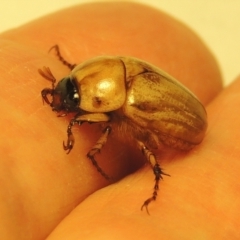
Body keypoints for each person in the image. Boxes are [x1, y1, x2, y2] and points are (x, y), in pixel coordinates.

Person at [0, 2, 238, 239]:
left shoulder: (128, 101)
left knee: (143, 142)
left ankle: (156, 175)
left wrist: (76, 121)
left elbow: (104, 115)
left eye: (74, 97)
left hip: (189, 123)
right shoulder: (114, 74)